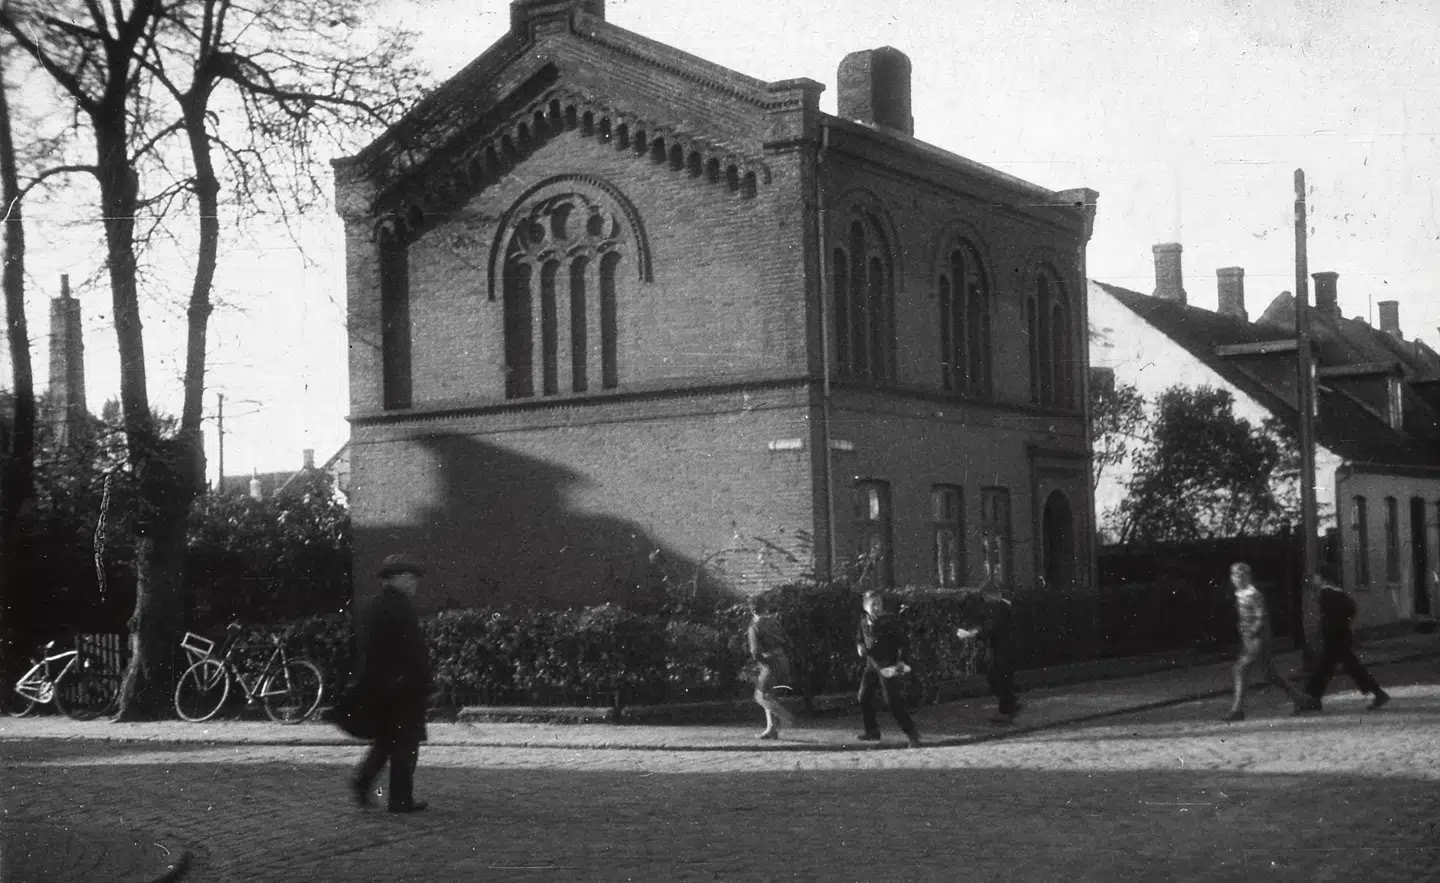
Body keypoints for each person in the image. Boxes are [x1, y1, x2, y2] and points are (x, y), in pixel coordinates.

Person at [351, 553, 433, 813]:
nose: (414, 584)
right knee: (406, 742)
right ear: (395, 578)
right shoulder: (400, 606)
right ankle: (400, 799)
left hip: (382, 686)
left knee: (387, 740)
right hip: (403, 687)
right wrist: (425, 680)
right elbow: (413, 649)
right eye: (409, 578)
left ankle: (363, 782)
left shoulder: (373, 605)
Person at [1223, 561, 1310, 722]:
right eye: (1234, 575)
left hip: (1258, 639)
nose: (1237, 578)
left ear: (1248, 577)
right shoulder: (1240, 593)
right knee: (1270, 675)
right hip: (1249, 639)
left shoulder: (1253, 594)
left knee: (1240, 669)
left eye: (1241, 575)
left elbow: (1261, 616)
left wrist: (1252, 631)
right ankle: (1300, 699)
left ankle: (1237, 710)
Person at [1301, 571, 1389, 711]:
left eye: (1314, 577)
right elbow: (1351, 608)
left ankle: (1312, 698)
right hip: (1341, 635)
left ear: (1321, 578)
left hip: (1335, 637)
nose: (1312, 581)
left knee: (1330, 668)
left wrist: (1327, 632)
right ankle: (1313, 698)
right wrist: (1344, 623)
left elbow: (1328, 618)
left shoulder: (1326, 593)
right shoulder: (1336, 592)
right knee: (1335, 667)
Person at [854, 590, 921, 747]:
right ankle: (872, 731)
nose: (877, 607)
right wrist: (859, 647)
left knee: (892, 702)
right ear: (865, 607)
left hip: (889, 665)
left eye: (879, 604)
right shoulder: (863, 621)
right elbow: (859, 639)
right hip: (871, 665)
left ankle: (912, 735)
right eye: (873, 605)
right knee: (863, 696)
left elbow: (903, 643)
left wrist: (901, 661)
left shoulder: (889, 621)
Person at [955, 589, 1023, 725]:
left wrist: (971, 634)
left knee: (998, 677)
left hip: (1004, 649)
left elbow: (990, 627)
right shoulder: (1001, 606)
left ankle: (1010, 708)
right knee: (1000, 678)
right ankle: (1009, 709)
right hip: (1005, 648)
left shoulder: (998, 608)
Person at [746, 596, 796, 740]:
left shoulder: (755, 626)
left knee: (760, 696)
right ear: (765, 607)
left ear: (752, 610)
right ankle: (771, 729)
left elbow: (755, 651)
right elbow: (786, 640)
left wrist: (763, 662)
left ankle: (785, 717)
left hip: (769, 662)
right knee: (770, 695)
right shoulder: (774, 621)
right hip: (782, 658)